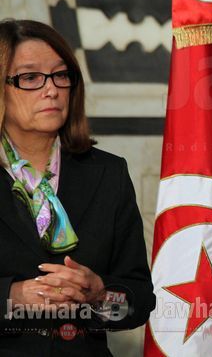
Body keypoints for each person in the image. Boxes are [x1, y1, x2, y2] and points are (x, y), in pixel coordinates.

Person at [0, 19, 155, 355]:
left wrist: (100, 295)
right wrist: (12, 296)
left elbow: (139, 301)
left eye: (61, 75)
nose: (52, 89)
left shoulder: (109, 173)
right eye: (30, 77)